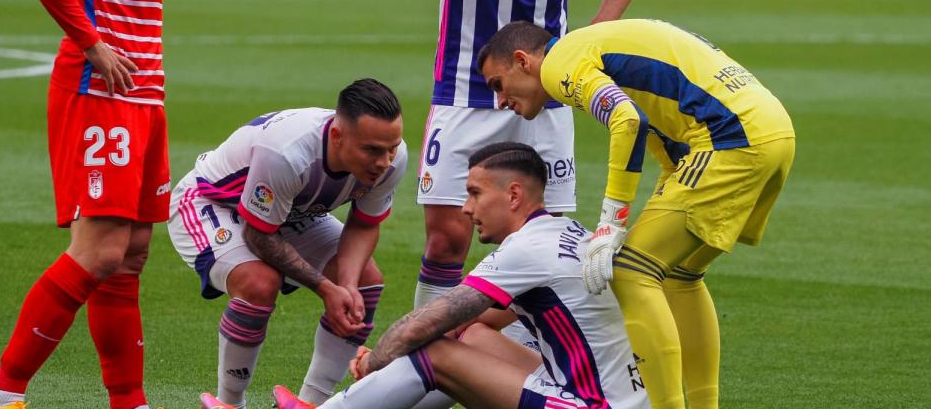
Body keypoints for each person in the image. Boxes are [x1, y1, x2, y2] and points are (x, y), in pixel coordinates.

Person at [0, 0, 195, 408]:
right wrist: (91, 42)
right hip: (101, 88)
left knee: (129, 256)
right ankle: (2, 397)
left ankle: (129, 402)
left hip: (144, 91)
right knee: (99, 250)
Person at [476, 20, 797, 408]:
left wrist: (612, 220)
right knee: (681, 275)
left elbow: (627, 120)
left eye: (498, 84)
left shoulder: (559, 64)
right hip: (773, 132)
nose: (499, 101)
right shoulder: (593, 45)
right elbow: (666, 126)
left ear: (522, 60)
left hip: (731, 138)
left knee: (632, 271)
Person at [412, 0, 645, 314]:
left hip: (546, 97)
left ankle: (527, 373)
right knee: (445, 242)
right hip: (463, 89)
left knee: (541, 244)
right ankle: (425, 366)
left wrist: (591, 38)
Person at [272, 142, 649, 409]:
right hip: (614, 395)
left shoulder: (527, 250)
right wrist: (392, 361)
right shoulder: (566, 231)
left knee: (435, 350)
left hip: (592, 404)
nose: (466, 209)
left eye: (474, 194)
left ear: (514, 195)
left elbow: (424, 325)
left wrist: (374, 363)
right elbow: (468, 321)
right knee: (469, 336)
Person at [171, 79, 409, 409]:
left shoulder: (392, 159)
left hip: (288, 211)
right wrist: (327, 289)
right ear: (337, 137)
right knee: (258, 282)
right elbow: (259, 235)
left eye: (391, 148)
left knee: (365, 284)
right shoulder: (287, 152)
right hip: (212, 205)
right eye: (371, 150)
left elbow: (364, 225)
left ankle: (310, 404)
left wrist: (347, 285)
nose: (384, 162)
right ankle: (230, 403)